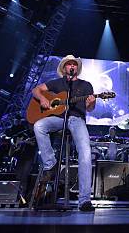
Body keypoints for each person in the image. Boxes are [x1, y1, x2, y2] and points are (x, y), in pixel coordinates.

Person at [31, 55, 96, 212]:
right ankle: (50, 163)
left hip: (77, 119)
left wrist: (91, 103)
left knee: (86, 154)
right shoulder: (57, 83)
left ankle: (84, 200)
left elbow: (90, 109)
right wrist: (43, 99)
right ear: (64, 68)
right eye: (69, 64)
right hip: (58, 118)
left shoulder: (86, 85)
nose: (72, 66)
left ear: (77, 68)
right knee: (39, 125)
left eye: (74, 64)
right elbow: (36, 90)